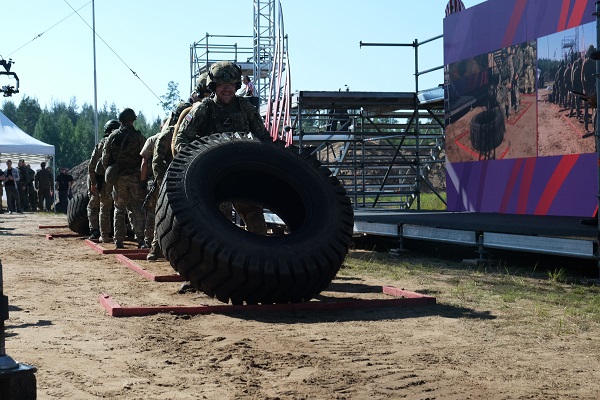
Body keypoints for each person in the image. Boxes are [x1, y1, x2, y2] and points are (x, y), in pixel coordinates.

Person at [174, 60, 269, 235]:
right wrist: (190, 162)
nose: (227, 89)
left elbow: (263, 137)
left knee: (255, 218)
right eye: (222, 85)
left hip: (241, 171)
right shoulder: (203, 110)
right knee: (219, 224)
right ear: (213, 85)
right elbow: (182, 138)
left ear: (237, 85)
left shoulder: (246, 107)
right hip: (212, 175)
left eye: (231, 84)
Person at [101, 108, 147, 249]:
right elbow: (146, 157)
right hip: (135, 178)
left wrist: (112, 170)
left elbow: (105, 159)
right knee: (137, 208)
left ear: (121, 120)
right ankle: (140, 239)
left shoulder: (112, 137)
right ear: (133, 120)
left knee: (119, 209)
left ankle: (118, 240)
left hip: (119, 178)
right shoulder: (139, 137)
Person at [87, 119, 120, 241]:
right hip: (119, 180)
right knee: (119, 208)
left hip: (102, 181)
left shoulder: (102, 144)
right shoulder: (122, 142)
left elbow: (91, 165)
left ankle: (99, 232)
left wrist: (93, 182)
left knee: (95, 206)